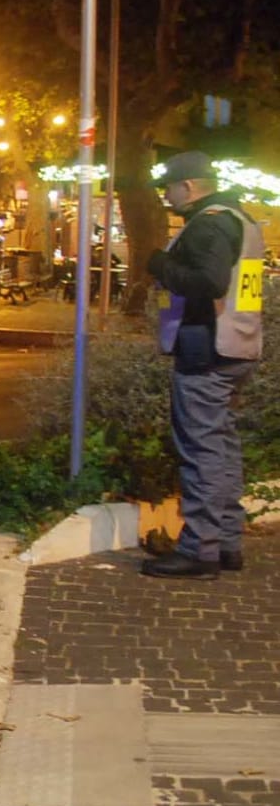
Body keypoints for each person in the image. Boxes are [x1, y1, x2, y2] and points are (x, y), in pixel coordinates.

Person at [142, 150, 264, 579]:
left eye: (168, 189)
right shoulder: (241, 220)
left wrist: (159, 263)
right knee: (223, 448)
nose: (166, 197)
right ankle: (226, 544)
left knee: (202, 451)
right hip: (236, 347)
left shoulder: (208, 224)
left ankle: (200, 551)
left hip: (205, 351)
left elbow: (208, 282)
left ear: (188, 186)